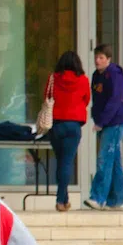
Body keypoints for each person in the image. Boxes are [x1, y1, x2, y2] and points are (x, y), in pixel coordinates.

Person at [41, 52, 90, 211]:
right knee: (67, 162)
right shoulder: (83, 80)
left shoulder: (53, 78)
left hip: (56, 124)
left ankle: (64, 199)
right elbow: (86, 99)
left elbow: (46, 97)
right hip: (74, 125)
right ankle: (60, 200)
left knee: (61, 161)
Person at [87, 46, 123, 212]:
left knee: (104, 159)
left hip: (115, 122)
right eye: (96, 57)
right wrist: (97, 118)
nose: (97, 60)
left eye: (101, 57)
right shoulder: (96, 76)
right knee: (113, 161)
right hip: (105, 122)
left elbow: (115, 99)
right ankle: (117, 200)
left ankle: (98, 197)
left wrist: (102, 121)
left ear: (108, 58)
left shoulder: (114, 74)